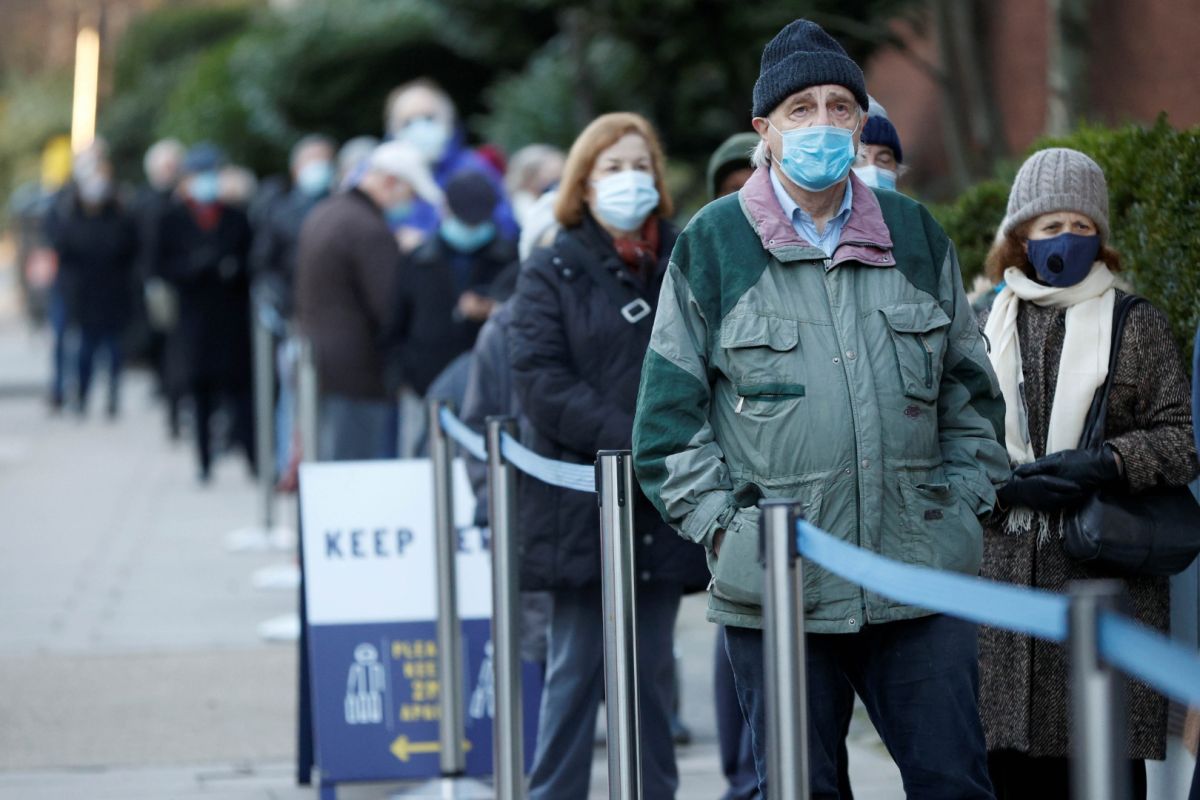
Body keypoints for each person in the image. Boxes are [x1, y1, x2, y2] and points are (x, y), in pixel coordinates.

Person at [632, 19, 1008, 799]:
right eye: (801, 108)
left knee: (956, 783)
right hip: (779, 591)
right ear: (763, 130)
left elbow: (971, 395)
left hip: (919, 578)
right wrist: (731, 534)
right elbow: (667, 427)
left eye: (841, 106)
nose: (824, 123)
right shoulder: (713, 244)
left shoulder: (914, 235)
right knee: (802, 790)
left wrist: (959, 507)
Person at [976, 147, 1198, 799]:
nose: (1065, 239)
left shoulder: (1139, 324)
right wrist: (1003, 483)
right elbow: (947, 444)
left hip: (1105, 584)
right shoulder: (982, 324)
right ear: (1021, 236)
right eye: (1049, 226)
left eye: (1080, 224)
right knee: (1006, 775)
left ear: (1100, 234)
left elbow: (1181, 444)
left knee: (1101, 777)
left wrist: (1105, 463)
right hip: (1002, 599)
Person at [508, 112, 708, 799]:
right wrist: (635, 437)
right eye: (612, 168)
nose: (630, 180)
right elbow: (539, 379)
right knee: (576, 670)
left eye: (640, 165)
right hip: (581, 502)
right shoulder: (552, 266)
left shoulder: (685, 256)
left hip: (663, 497)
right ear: (584, 183)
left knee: (652, 673)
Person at [295, 142, 434, 461]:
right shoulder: (368, 228)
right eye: (410, 194)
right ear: (390, 183)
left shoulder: (328, 211)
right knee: (353, 474)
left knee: (328, 468)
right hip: (357, 374)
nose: (409, 204)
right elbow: (388, 308)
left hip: (324, 363)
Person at [158, 143, 255, 482]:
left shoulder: (236, 216)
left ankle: (252, 457)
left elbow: (252, 261)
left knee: (241, 392)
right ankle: (203, 461)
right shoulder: (172, 219)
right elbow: (159, 265)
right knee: (199, 392)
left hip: (231, 316)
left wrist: (234, 268)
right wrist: (191, 268)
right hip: (195, 318)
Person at [43, 146, 139, 417]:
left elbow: (130, 245)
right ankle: (72, 394)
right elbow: (58, 242)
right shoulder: (66, 205)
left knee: (112, 348)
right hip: (78, 292)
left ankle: (111, 398)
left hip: (112, 291)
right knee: (78, 346)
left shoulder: (118, 208)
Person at [384, 78, 516, 237]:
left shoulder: (474, 168)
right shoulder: (385, 178)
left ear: (447, 120)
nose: (419, 128)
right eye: (408, 122)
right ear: (393, 130)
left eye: (428, 117)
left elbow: (507, 225)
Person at [134, 139, 186, 436]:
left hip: (184, 285)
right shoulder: (144, 200)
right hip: (156, 285)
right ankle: (170, 398)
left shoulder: (183, 199)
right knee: (163, 346)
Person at [504, 143, 565, 229]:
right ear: (529, 177)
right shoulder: (523, 202)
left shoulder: (542, 196)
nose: (556, 183)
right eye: (552, 176)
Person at [852, 97, 903, 191]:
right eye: (858, 159)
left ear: (896, 169)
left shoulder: (912, 206)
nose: (872, 169)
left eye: (883, 160)